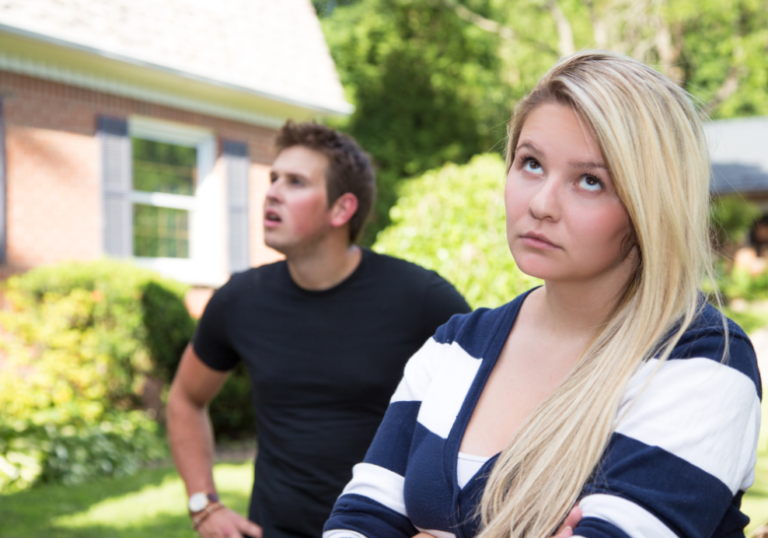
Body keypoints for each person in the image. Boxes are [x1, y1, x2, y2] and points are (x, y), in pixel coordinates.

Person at [324, 51, 762, 538]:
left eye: (590, 181)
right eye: (531, 163)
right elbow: (358, 521)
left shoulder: (699, 360)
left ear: (650, 206)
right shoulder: (455, 347)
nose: (540, 204)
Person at [167, 121, 471, 538]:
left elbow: (488, 404)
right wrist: (204, 505)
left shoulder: (420, 297)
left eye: (295, 182)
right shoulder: (240, 299)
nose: (272, 191)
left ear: (341, 209)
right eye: (273, 178)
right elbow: (186, 397)